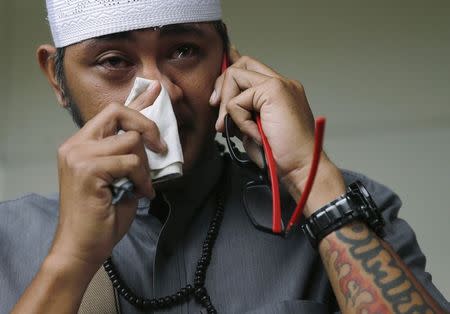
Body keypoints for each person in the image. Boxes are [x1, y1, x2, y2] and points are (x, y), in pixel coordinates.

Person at [1, 0, 449, 313]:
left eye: (184, 51)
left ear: (226, 61)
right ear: (56, 77)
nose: (160, 92)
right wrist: (69, 262)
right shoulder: (9, 239)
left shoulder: (342, 201)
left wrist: (308, 178)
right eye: (114, 60)